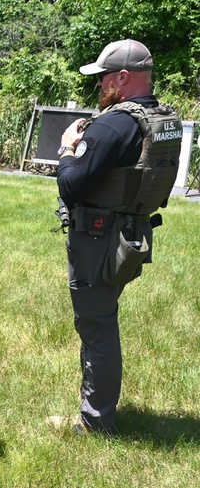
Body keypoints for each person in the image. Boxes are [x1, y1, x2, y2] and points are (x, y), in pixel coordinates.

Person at [50, 39, 182, 435]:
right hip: (131, 235)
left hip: (99, 238)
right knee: (101, 322)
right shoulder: (163, 119)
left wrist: (67, 149)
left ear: (122, 78)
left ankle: (94, 422)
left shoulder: (113, 123)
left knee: (97, 326)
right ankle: (95, 411)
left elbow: (70, 185)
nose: (100, 84)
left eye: (105, 77)